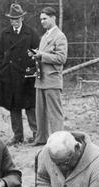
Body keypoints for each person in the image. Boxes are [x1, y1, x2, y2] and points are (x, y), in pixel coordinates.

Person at [0, 3, 40, 145]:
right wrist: (3, 66)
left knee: (30, 106)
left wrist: (31, 70)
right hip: (11, 75)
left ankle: (36, 134)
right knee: (14, 106)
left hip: (26, 76)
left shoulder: (31, 33)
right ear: (10, 19)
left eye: (17, 18)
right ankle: (18, 136)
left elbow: (37, 52)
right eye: (12, 18)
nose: (15, 21)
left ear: (22, 18)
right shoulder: (5, 33)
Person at [30, 7, 68, 146]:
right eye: (41, 19)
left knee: (54, 113)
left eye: (45, 18)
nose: (42, 22)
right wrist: (36, 55)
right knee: (40, 113)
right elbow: (43, 55)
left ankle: (59, 142)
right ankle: (41, 139)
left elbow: (61, 58)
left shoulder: (60, 36)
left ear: (53, 18)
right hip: (41, 79)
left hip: (52, 80)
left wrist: (42, 55)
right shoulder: (44, 36)